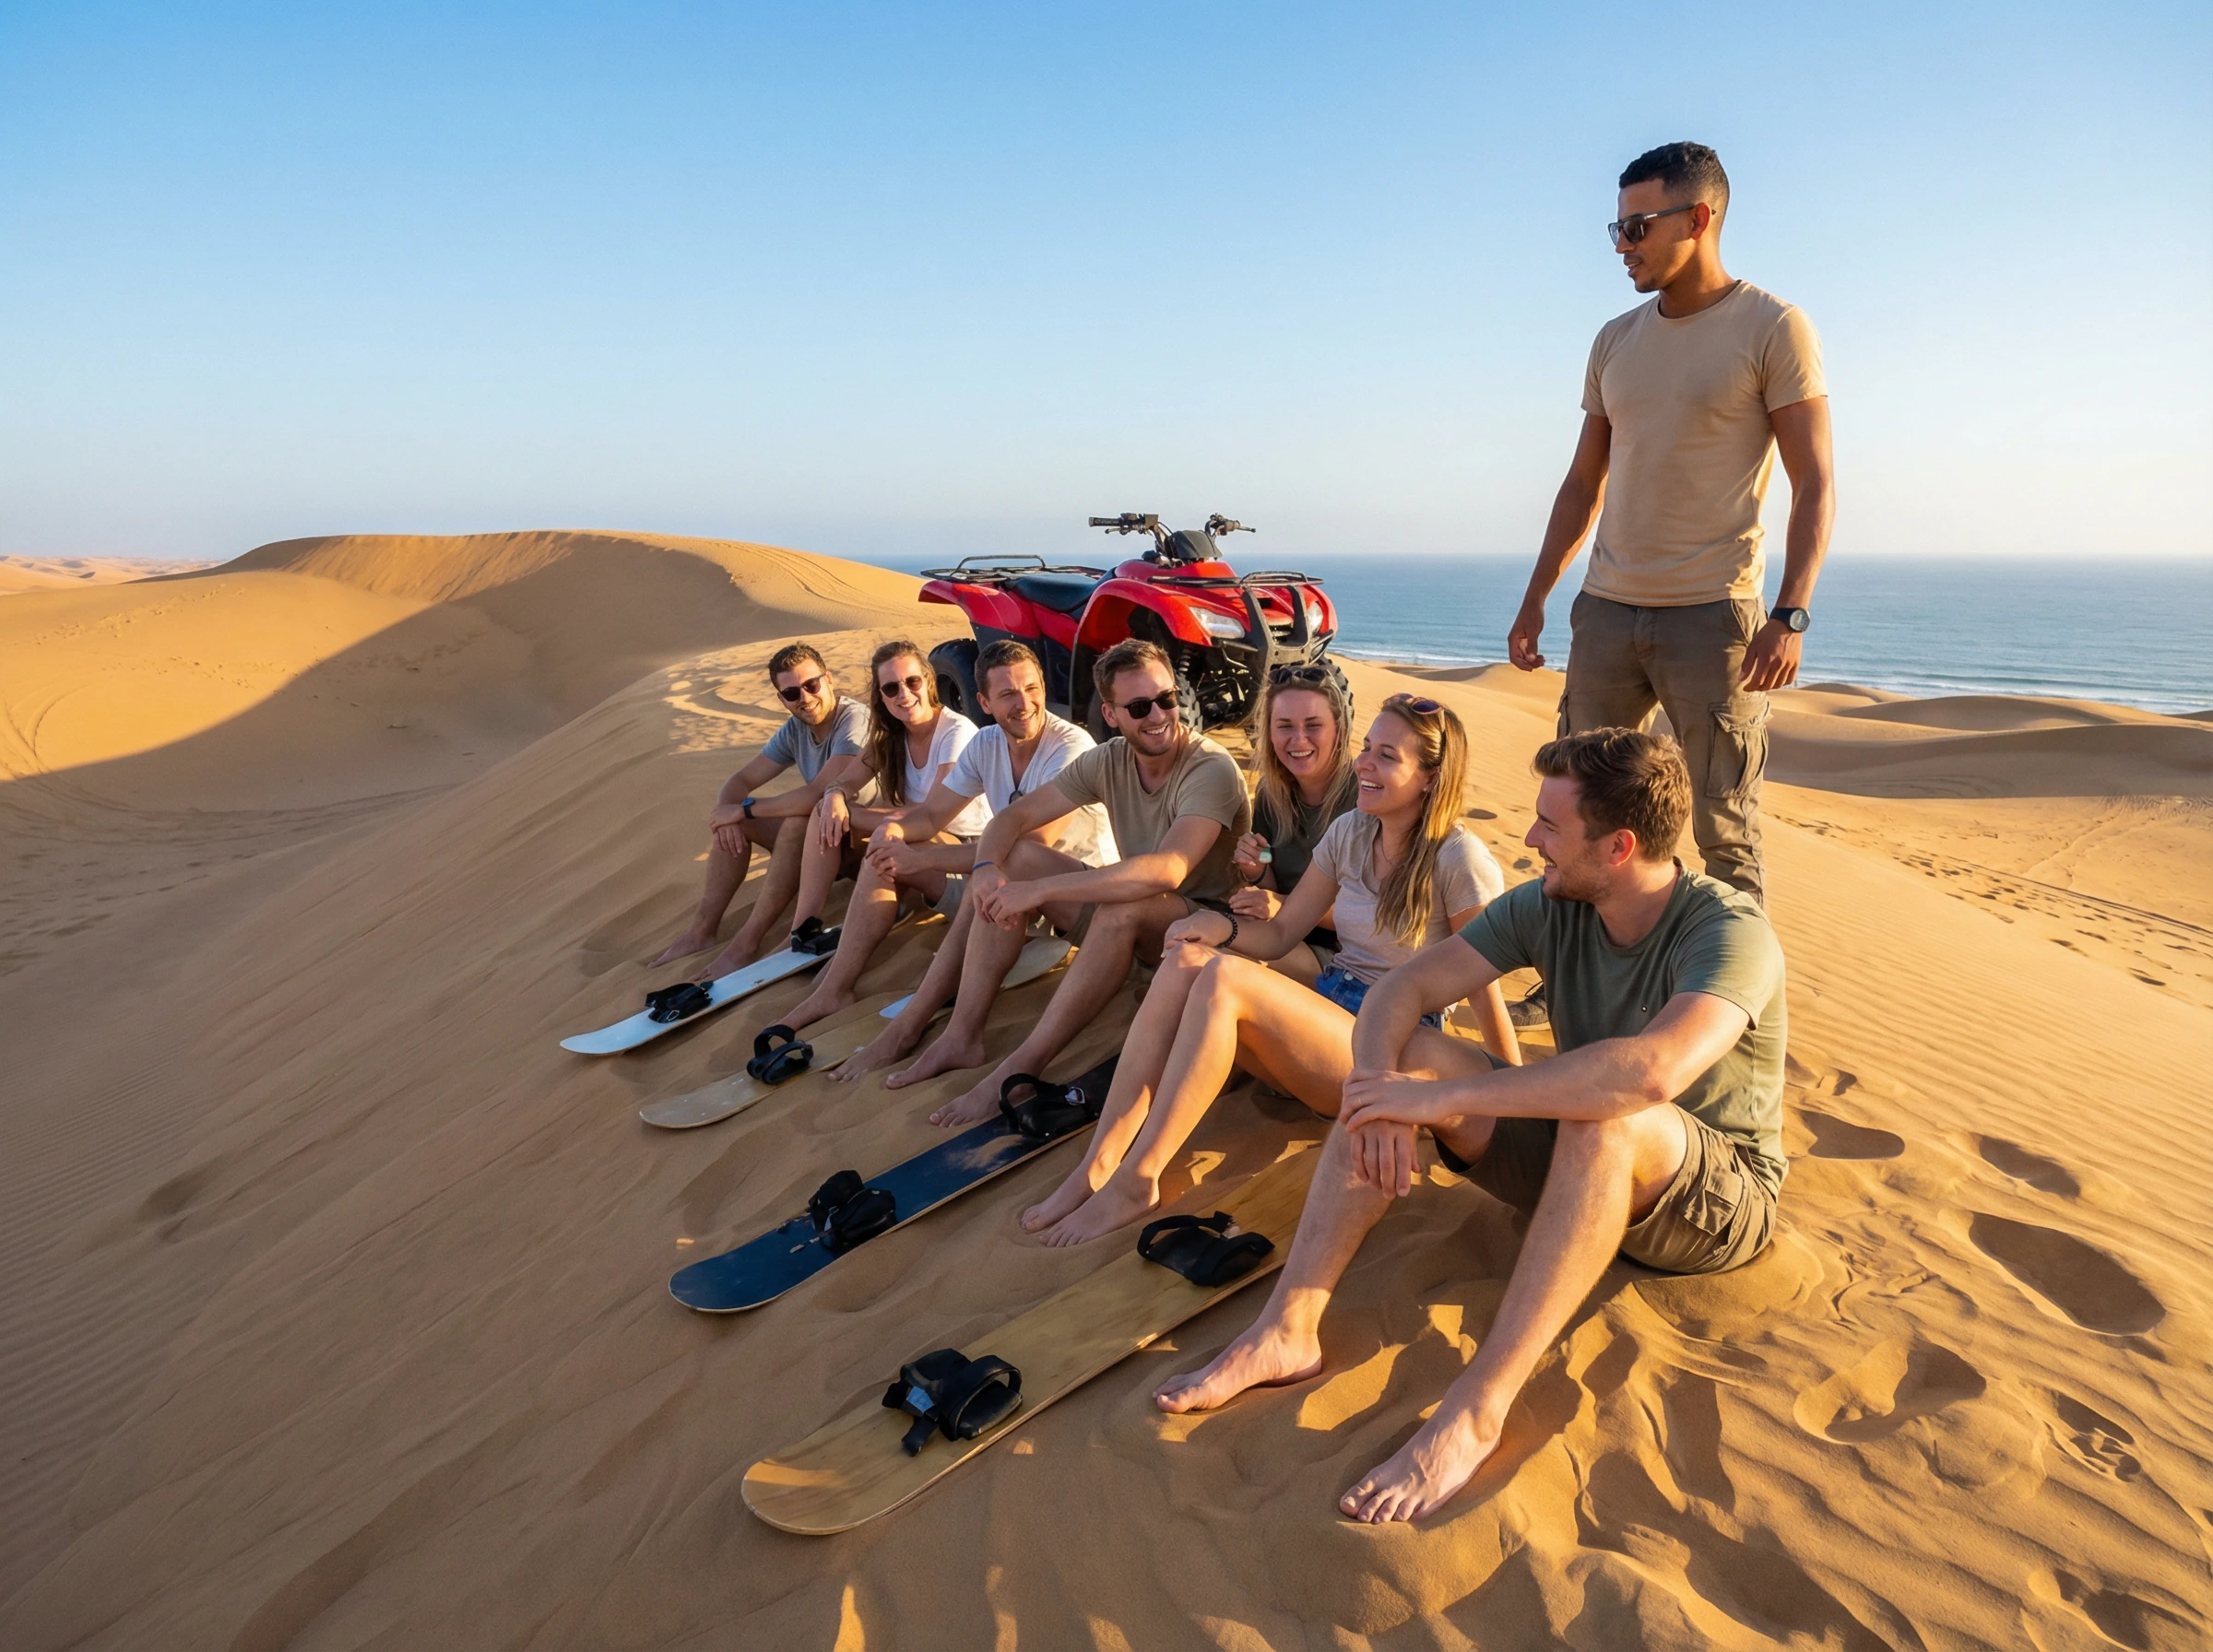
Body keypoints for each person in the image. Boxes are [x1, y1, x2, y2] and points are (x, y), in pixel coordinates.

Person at [1155, 729, 1787, 1528]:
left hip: (1712, 1203)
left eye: (1550, 825)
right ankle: (1287, 1328)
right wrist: (1384, 1093)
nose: (1530, 839)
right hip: (1578, 1162)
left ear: (1619, 846)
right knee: (1414, 1058)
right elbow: (1404, 992)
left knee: (1610, 1117)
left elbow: (1651, 1074)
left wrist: (1433, 1103)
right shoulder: (1554, 901)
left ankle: (1478, 1410)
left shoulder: (1728, 931)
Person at [1021, 694, 1519, 1245]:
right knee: (1189, 959)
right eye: (1367, 748)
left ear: (1430, 778)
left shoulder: (1458, 858)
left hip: (1391, 1049)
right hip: (1327, 1011)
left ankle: (1139, 1180)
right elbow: (1282, 933)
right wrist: (1219, 927)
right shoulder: (1350, 830)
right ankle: (1098, 1163)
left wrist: (1518, 1111)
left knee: (1225, 978)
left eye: (1387, 756)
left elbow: (1486, 991)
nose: (1364, 764)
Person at [1506, 141, 1834, 909]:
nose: (1623, 246)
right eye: (1617, 229)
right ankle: (1578, 973)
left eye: (1638, 227)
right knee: (1574, 816)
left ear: (1698, 218)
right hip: (1606, 614)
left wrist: (1790, 614)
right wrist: (1536, 598)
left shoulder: (1774, 327)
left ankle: (1732, 988)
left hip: (1713, 621)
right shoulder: (1614, 339)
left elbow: (1815, 483)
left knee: (1725, 831)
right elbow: (1582, 484)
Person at [886, 639, 1250, 1126]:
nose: (1158, 716)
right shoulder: (1110, 759)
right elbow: (1014, 818)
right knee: (1016, 858)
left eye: (1167, 699)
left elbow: (1168, 870)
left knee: (1120, 903)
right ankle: (963, 1035)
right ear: (1111, 715)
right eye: (1139, 707)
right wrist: (988, 867)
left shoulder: (1209, 767)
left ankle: (1022, 1068)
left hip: (1208, 932)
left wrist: (1041, 891)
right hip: (1135, 927)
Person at [788, 640, 1115, 1048]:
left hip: (1079, 895)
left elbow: (1025, 850)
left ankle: (921, 1025)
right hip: (1019, 893)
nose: (1024, 704)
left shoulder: (1070, 747)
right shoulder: (986, 744)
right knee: (885, 856)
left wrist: (922, 861)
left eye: (1032, 689)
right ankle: (835, 988)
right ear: (984, 702)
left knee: (996, 872)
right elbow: (929, 816)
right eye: (1008, 694)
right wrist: (893, 833)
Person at [649, 643, 870, 974]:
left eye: (811, 685)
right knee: (739, 821)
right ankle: (701, 932)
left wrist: (743, 809)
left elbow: (818, 794)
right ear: (782, 699)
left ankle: (746, 944)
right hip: (822, 844)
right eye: (792, 693)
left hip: (862, 846)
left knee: (794, 820)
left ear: (828, 679)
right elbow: (741, 779)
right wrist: (727, 815)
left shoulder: (854, 720)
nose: (805, 698)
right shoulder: (796, 729)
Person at [1227, 665, 1360, 987]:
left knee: (1222, 960)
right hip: (1282, 934)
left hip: (1345, 959)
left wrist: (1282, 905)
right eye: (1284, 726)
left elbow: (1368, 915)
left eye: (1313, 725)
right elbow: (1271, 865)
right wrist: (1258, 867)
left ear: (1339, 729)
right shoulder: (1271, 793)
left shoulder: (1364, 798)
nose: (1298, 740)